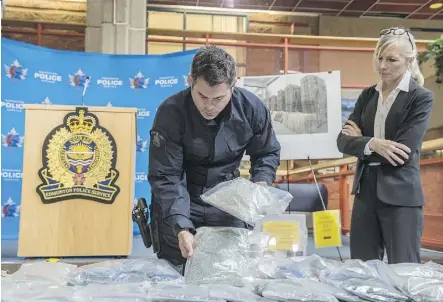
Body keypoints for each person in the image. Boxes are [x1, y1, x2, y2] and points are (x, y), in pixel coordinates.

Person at [148, 45, 281, 268]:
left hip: (227, 201)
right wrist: (181, 226)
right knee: (176, 273)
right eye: (201, 96)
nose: (209, 106)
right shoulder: (171, 112)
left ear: (233, 86)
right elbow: (167, 176)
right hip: (180, 199)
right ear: (190, 80)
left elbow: (267, 152)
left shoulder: (251, 109)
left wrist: (260, 183)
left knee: (229, 271)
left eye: (218, 98)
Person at [337, 27, 434, 264]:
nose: (383, 66)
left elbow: (402, 152)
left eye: (391, 59)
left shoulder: (420, 97)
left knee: (404, 268)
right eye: (379, 58)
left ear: (409, 61)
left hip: (401, 194)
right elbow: (342, 141)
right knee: (362, 268)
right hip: (365, 192)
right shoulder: (368, 95)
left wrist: (361, 143)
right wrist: (375, 143)